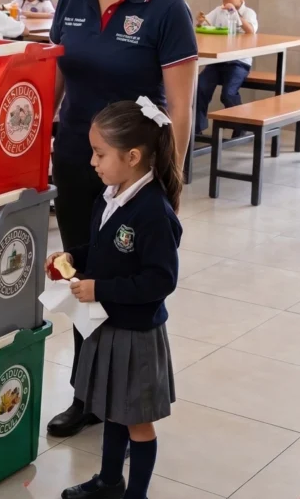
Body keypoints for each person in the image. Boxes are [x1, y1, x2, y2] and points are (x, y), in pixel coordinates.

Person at [47, 0, 197, 440]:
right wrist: (36, 144)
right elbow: (53, 83)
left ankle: (126, 396)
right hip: (77, 159)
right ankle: (87, 393)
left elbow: (181, 105)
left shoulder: (165, 9)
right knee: (82, 273)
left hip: (134, 172)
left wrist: (170, 179)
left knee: (124, 279)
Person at [52, 98, 182, 499]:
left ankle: (135, 495)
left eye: (99, 153)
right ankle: (110, 481)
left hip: (136, 334)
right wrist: (74, 256)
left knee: (137, 422)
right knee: (111, 409)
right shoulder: (107, 197)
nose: (92, 161)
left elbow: (160, 280)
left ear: (133, 156)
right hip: (106, 323)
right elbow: (103, 248)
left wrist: (100, 288)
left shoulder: (152, 212)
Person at [195, 0, 258, 135]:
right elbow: (204, 23)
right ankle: (197, 129)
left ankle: (240, 127)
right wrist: (201, 21)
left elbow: (250, 31)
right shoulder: (219, 11)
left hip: (239, 62)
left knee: (228, 93)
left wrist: (236, 15)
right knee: (200, 87)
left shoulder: (248, 13)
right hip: (219, 61)